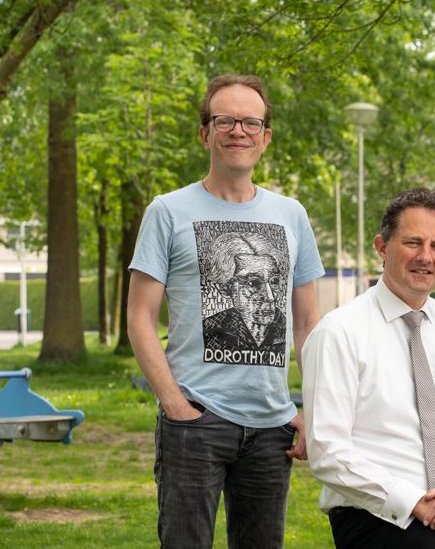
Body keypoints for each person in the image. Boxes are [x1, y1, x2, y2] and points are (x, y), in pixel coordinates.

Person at [127, 74, 324, 549]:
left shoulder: (291, 214)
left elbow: (307, 323)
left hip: (272, 425)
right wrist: (176, 405)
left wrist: (311, 408)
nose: (239, 130)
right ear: (205, 133)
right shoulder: (167, 211)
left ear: (265, 136)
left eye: (250, 122)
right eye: (225, 120)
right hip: (197, 418)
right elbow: (139, 317)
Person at [302, 188, 435, 549]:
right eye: (413, 242)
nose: (425, 257)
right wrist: (415, 502)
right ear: (382, 247)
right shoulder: (339, 332)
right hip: (378, 517)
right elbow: (328, 451)